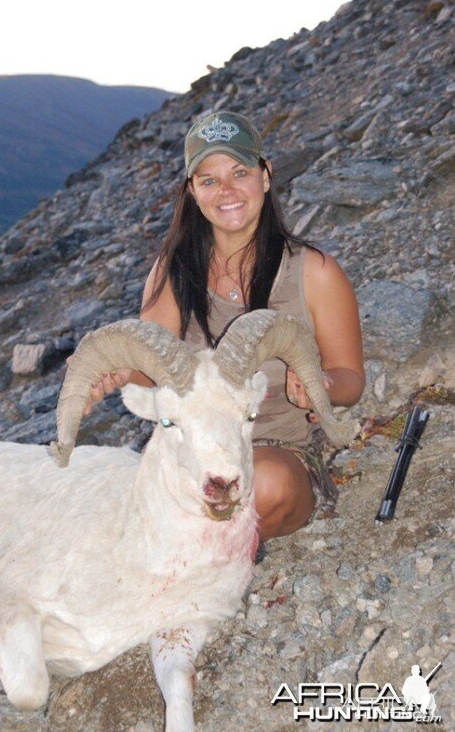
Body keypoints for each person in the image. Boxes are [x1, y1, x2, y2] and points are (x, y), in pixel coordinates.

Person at [84, 111, 365, 541]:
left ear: (266, 176)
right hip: (192, 450)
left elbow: (351, 378)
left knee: (265, 487)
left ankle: (195, 550)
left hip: (276, 446)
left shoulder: (315, 272)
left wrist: (321, 385)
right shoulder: (173, 272)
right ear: (192, 191)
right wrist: (117, 370)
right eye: (209, 180)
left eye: (239, 172)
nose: (227, 191)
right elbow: (149, 362)